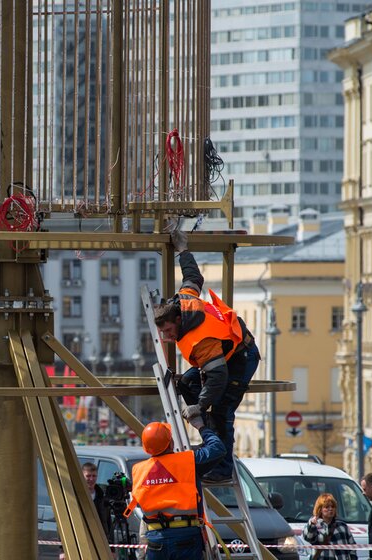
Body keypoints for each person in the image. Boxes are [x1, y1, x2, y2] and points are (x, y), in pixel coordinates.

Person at [153, 226, 260, 482]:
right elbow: (193, 277)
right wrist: (183, 251)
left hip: (239, 359)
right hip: (225, 354)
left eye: (168, 330)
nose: (166, 337)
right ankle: (210, 430)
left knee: (222, 411)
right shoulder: (184, 300)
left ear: (178, 320)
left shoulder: (201, 340)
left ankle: (222, 467)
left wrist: (200, 407)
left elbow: (218, 377)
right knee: (189, 383)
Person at [124, 412, 224, 559]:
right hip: (186, 537)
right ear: (170, 443)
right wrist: (201, 426)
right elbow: (218, 448)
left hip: (156, 539)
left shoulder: (138, 470)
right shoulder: (187, 461)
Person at [302, 493, 357, 560]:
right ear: (320, 509)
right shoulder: (315, 525)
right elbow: (308, 537)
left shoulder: (343, 526)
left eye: (333, 506)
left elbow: (352, 546)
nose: (330, 509)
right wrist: (312, 525)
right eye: (327, 507)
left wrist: (353, 557)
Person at [82, 462, 112, 540]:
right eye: (88, 476)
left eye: (94, 476)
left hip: (100, 540)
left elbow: (108, 523)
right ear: (82, 476)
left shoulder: (102, 496)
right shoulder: (76, 495)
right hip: (81, 538)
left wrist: (111, 549)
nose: (91, 479)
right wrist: (62, 548)